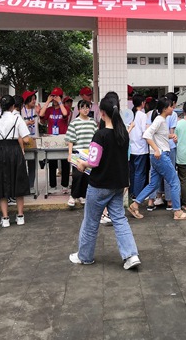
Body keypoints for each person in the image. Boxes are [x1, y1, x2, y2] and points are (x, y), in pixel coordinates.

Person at [69, 97, 141, 269]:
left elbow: (93, 162)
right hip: (118, 184)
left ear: (101, 113)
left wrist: (82, 163)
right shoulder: (123, 133)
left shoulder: (100, 135)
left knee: (90, 221)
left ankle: (85, 256)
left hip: (99, 185)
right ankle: (131, 255)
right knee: (120, 219)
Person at [129, 97, 186, 220]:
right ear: (164, 109)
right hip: (161, 156)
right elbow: (146, 134)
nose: (173, 108)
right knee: (174, 182)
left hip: (157, 156)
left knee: (153, 184)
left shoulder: (161, 120)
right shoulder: (159, 120)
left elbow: (159, 136)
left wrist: (170, 136)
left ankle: (135, 205)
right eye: (170, 106)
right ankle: (177, 211)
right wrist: (157, 149)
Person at [0, 94, 31, 228]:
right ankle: (20, 216)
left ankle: (5, 218)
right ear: (13, 106)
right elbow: (26, 139)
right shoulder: (17, 118)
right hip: (15, 151)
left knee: (1, 183)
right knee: (18, 181)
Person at [39, 87, 71, 192]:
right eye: (53, 96)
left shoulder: (65, 108)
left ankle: (65, 185)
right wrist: (47, 101)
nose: (54, 98)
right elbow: (41, 115)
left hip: (63, 139)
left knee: (65, 163)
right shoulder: (49, 110)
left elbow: (65, 114)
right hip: (52, 139)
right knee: (52, 162)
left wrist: (60, 102)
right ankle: (52, 185)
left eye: (56, 96)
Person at [66, 100, 98, 207]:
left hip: (89, 153)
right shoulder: (74, 123)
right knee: (77, 175)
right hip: (77, 153)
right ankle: (73, 196)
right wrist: (70, 154)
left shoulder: (93, 122)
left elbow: (96, 138)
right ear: (79, 109)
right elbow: (70, 140)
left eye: (87, 107)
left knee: (86, 175)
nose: (85, 110)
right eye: (83, 107)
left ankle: (83, 196)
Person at [128, 94, 149, 198]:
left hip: (131, 148)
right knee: (140, 173)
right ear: (142, 103)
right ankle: (138, 195)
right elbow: (144, 132)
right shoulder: (142, 115)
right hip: (141, 148)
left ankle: (132, 192)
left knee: (132, 172)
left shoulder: (130, 114)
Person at [21, 90, 40, 190]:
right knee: (22, 164)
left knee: (32, 164)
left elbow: (42, 122)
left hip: (34, 140)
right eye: (32, 99)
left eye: (34, 99)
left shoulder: (36, 110)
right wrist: (26, 123)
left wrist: (39, 113)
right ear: (27, 100)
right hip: (23, 140)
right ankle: (23, 185)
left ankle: (31, 185)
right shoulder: (21, 111)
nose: (34, 101)